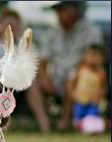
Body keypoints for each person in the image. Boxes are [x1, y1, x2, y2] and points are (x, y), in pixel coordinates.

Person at [37, 1, 103, 131]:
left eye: (63, 9)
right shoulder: (51, 32)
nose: (59, 14)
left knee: (73, 76)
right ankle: (44, 123)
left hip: (80, 78)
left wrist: (75, 76)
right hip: (54, 78)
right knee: (33, 80)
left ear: (77, 10)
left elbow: (94, 60)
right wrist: (45, 80)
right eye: (58, 10)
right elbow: (42, 62)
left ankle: (65, 122)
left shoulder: (91, 31)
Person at [67, 44, 107, 134]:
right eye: (91, 55)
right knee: (78, 117)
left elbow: (104, 88)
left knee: (91, 117)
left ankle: (90, 128)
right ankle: (80, 129)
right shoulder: (79, 70)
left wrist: (99, 96)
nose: (93, 58)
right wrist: (73, 95)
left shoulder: (101, 73)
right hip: (80, 101)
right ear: (84, 56)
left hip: (93, 102)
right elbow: (70, 84)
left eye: (96, 55)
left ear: (102, 58)